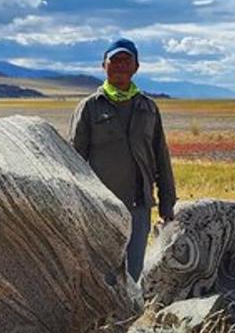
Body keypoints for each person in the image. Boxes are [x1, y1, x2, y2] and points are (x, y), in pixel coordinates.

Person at [69, 38, 176, 280]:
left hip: (139, 205)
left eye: (126, 60)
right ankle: (103, 318)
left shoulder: (148, 108)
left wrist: (167, 202)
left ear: (136, 67)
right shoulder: (89, 108)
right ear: (103, 66)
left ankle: (128, 318)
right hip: (101, 206)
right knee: (103, 270)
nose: (120, 65)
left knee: (133, 271)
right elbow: (73, 160)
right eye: (114, 60)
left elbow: (161, 157)